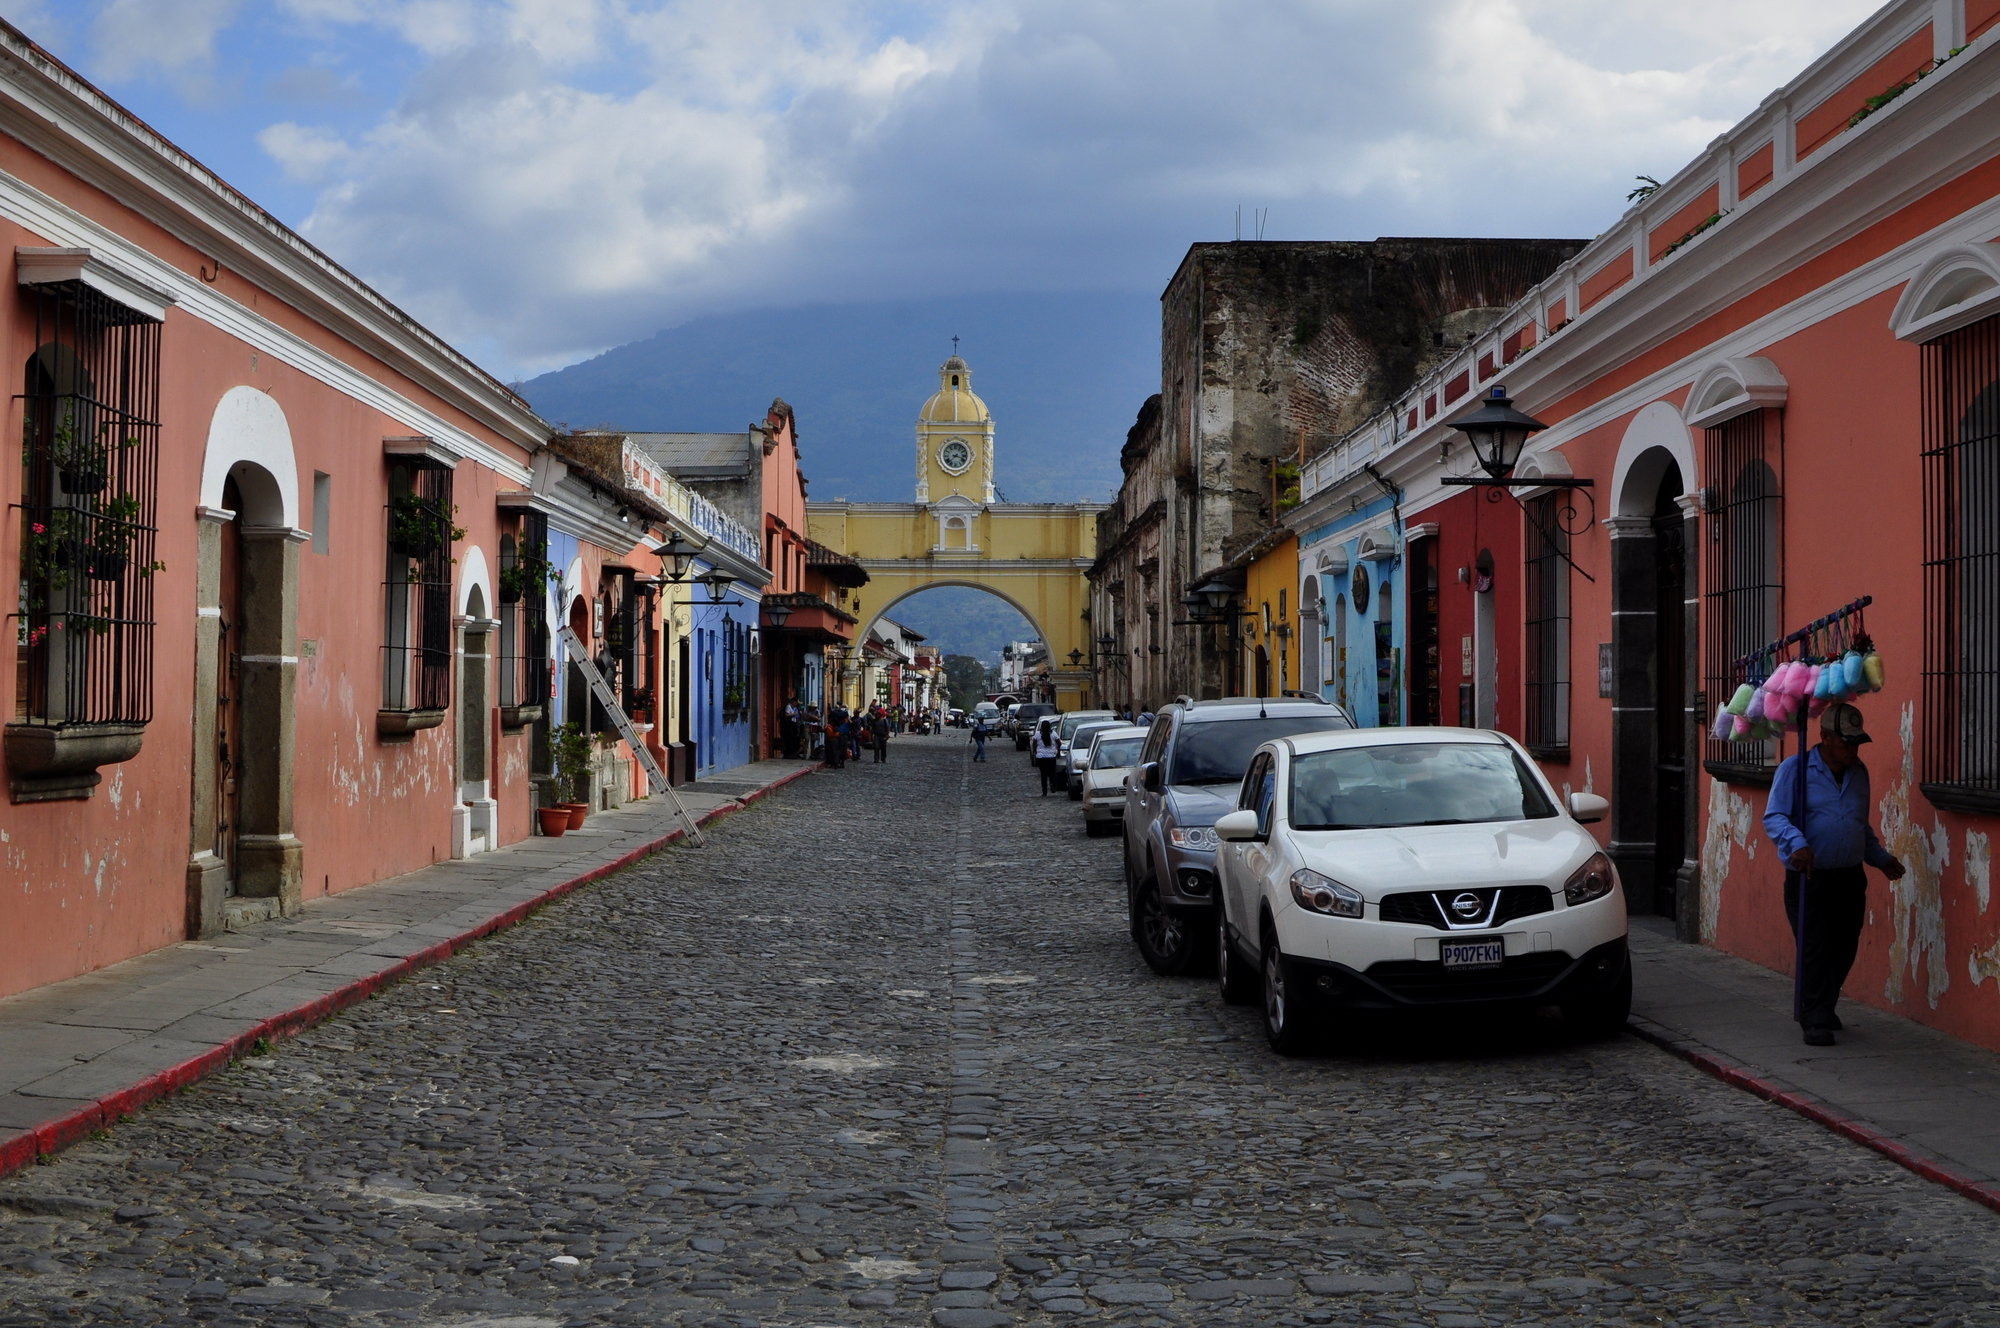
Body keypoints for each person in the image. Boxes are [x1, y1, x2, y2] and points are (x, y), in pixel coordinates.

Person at [1763, 702, 1906, 1046]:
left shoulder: (1860, 774)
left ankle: (1825, 1005)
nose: (1853, 749)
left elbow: (1859, 827)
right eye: (1846, 742)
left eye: (1857, 743)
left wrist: (1881, 859)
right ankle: (1813, 1015)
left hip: (1849, 875)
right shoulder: (1795, 769)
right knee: (1815, 948)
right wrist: (1796, 841)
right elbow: (1775, 817)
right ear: (1825, 737)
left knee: (1844, 946)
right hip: (1810, 876)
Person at [1031, 717, 1063, 796]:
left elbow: (1034, 743)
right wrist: (1057, 750)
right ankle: (1053, 785)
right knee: (1052, 773)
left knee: (1043, 775)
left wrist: (1035, 752)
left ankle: (1044, 791)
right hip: (1051, 756)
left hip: (1041, 757)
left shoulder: (1038, 734)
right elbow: (1059, 743)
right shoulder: (1053, 733)